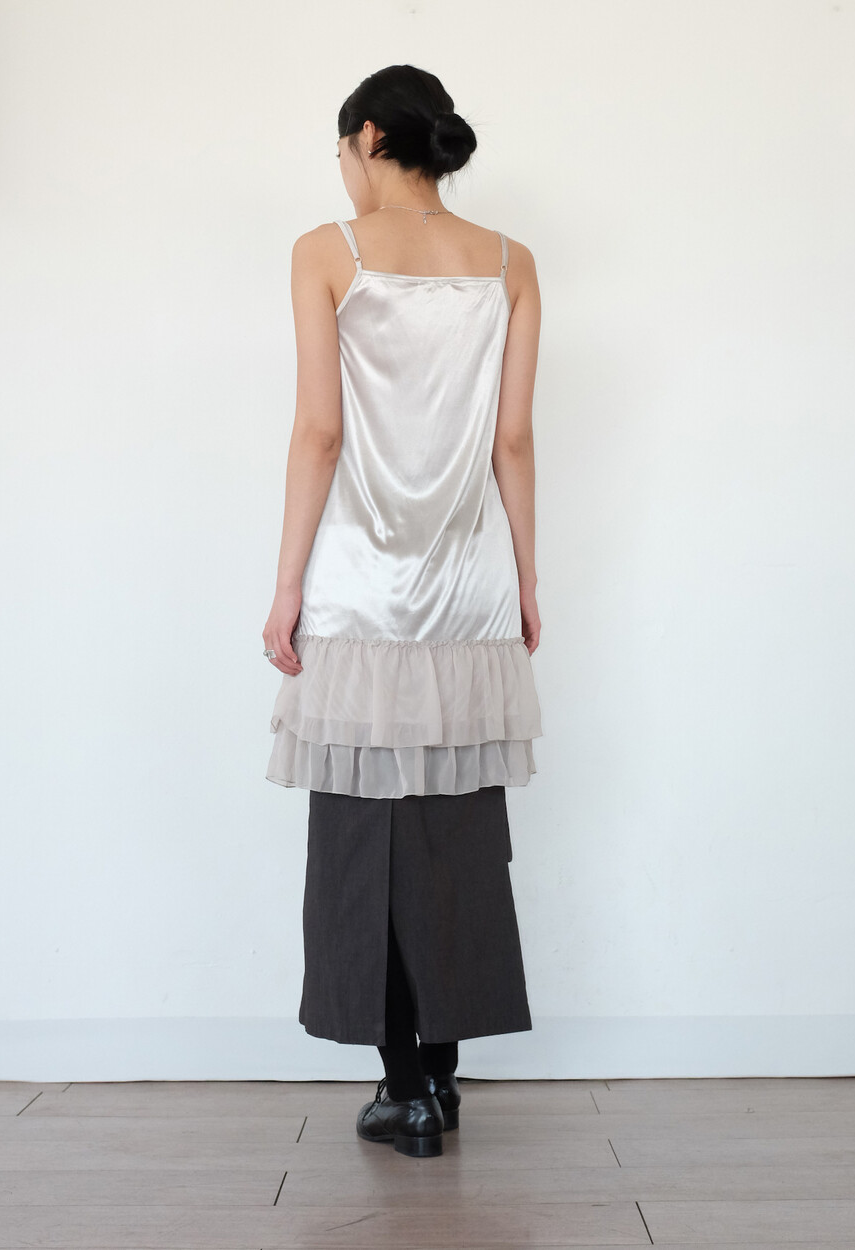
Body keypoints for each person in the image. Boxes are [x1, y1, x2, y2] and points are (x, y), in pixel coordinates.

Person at [262, 64, 543, 1158]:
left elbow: (318, 431)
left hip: (362, 587)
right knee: (457, 827)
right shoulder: (510, 263)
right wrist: (525, 578)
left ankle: (402, 1089)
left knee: (361, 832)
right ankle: (444, 1076)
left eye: (342, 150)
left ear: (371, 137)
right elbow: (511, 439)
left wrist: (287, 585)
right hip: (471, 584)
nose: (341, 169)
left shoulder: (326, 251)